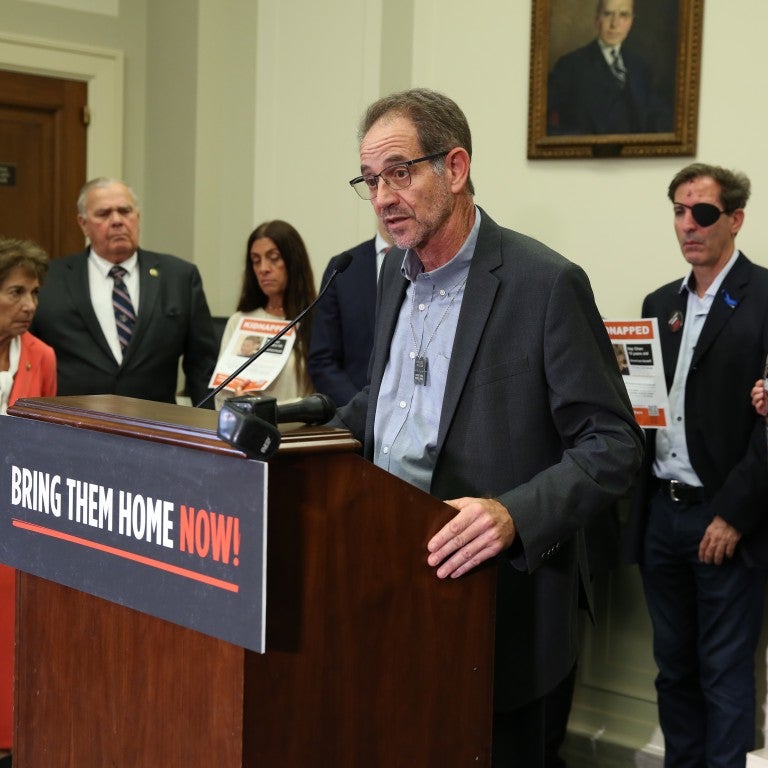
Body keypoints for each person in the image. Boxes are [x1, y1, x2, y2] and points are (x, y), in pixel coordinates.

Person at [333, 87, 643, 766]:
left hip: (504, 604)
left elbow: (613, 445)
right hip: (394, 587)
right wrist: (299, 442)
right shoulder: (392, 276)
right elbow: (385, 406)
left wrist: (512, 515)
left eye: (400, 171)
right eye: (371, 179)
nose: (383, 196)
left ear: (455, 167)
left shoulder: (544, 283)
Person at [623, 163, 768, 767]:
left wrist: (733, 514)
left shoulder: (764, 297)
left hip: (726, 517)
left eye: (702, 213)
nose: (688, 225)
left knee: (724, 675)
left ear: (734, 218)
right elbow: (646, 408)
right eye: (679, 211)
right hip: (663, 511)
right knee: (673, 670)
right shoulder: (660, 303)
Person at [30, 177, 218, 407]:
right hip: (72, 427)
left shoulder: (179, 277)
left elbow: (202, 366)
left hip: (154, 428)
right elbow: (28, 357)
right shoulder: (49, 279)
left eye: (124, 211)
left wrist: (209, 432)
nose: (117, 220)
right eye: (104, 214)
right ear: (83, 224)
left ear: (137, 217)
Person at [0, 237, 57, 759]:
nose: (29, 305)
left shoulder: (41, 356)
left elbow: (47, 445)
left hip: (16, 516)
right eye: (16, 291)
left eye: (34, 292)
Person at [215, 220, 316, 407]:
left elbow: (320, 398)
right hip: (244, 428)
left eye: (274, 257)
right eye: (256, 260)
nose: (263, 268)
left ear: (293, 261)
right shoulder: (239, 321)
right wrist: (241, 400)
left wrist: (264, 406)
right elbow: (220, 396)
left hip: (299, 431)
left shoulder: (315, 320)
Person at [547, 0, 673, 135]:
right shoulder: (571, 65)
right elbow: (539, 122)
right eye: (608, 14)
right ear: (597, 20)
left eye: (623, 15)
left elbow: (658, 115)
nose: (614, 24)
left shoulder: (640, 67)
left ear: (631, 21)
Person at [308, 220, 392, 407]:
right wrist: (361, 409)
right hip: (355, 417)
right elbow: (322, 360)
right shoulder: (343, 268)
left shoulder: (432, 265)